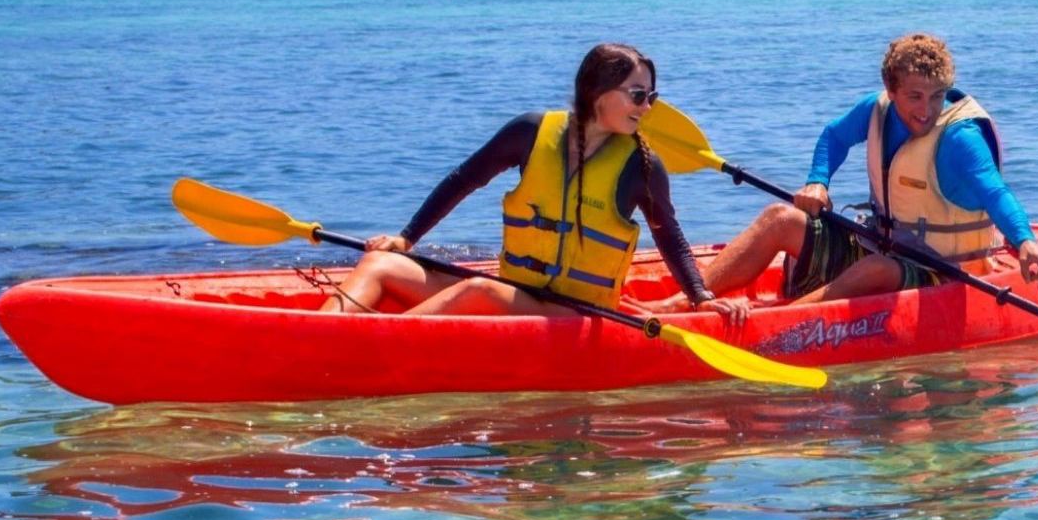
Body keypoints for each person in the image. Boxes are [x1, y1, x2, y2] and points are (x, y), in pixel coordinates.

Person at [317, 43, 746, 324]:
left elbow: (668, 234)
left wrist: (700, 295)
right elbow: (464, 179)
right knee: (379, 263)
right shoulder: (531, 132)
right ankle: (319, 332)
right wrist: (406, 238)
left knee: (481, 290)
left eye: (650, 98)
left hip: (575, 316)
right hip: (518, 293)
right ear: (599, 92)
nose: (647, 108)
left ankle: (372, 342)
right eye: (638, 95)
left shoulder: (641, 165)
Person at [668, 32, 1038, 316]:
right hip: (882, 244)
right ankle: (690, 298)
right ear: (891, 90)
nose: (927, 110)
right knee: (780, 218)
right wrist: (818, 181)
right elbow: (833, 137)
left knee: (874, 269)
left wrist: (1024, 241)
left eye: (937, 95)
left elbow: (996, 192)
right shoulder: (875, 110)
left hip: (945, 272)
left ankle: (776, 322)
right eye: (915, 96)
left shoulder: (960, 137)